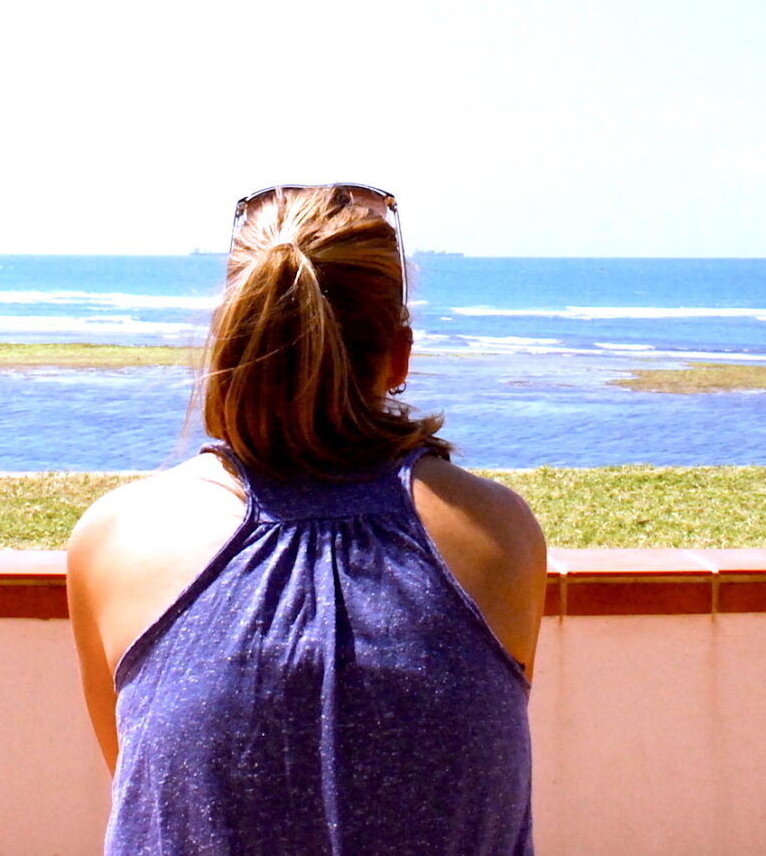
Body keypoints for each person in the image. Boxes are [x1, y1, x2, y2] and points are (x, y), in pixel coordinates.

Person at [68, 183, 548, 856]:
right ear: (399, 355)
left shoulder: (117, 538)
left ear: (232, 347)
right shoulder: (498, 532)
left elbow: (144, 782)